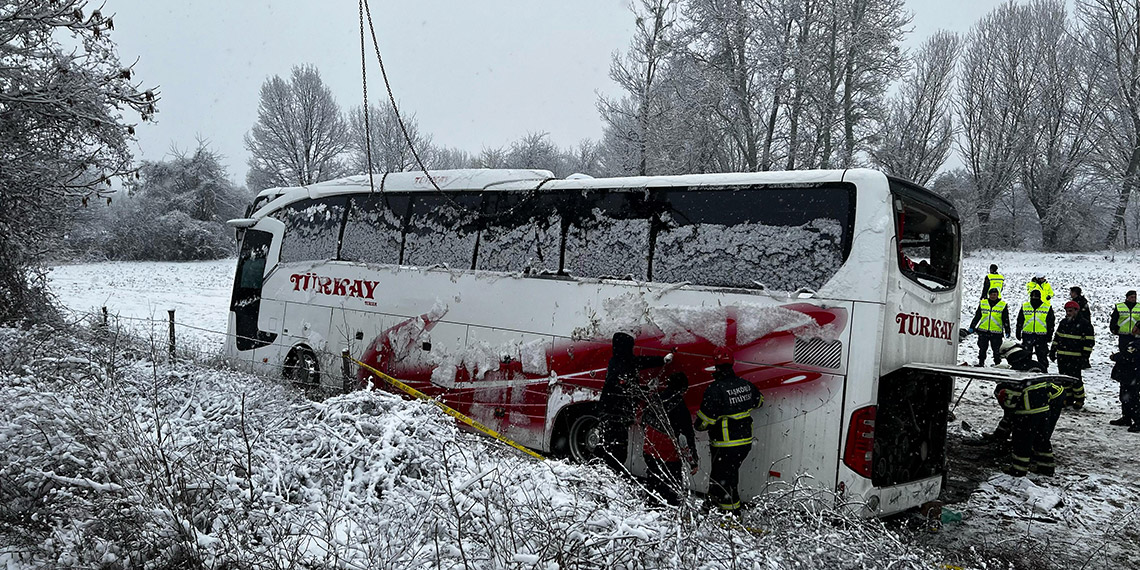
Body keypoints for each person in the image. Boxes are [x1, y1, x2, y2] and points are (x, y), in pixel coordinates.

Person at [694, 349, 763, 513]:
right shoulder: (745, 385)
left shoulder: (715, 389)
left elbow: (704, 422)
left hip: (725, 444)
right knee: (724, 476)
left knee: (725, 480)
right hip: (744, 442)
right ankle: (713, 507)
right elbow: (759, 401)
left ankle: (731, 516)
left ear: (716, 367)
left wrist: (698, 426)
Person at [599, 332, 671, 476]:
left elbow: (643, 361)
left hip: (615, 413)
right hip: (614, 414)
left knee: (611, 446)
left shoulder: (623, 360)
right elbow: (626, 387)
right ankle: (610, 475)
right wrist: (646, 389)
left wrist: (662, 360)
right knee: (615, 448)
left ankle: (609, 471)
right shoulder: (618, 365)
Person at [640, 372, 698, 506]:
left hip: (649, 449)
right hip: (668, 454)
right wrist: (693, 461)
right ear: (683, 389)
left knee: (653, 480)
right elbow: (688, 435)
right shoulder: (680, 406)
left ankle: (651, 507)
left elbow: (643, 421)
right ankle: (668, 511)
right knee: (671, 487)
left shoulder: (655, 399)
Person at [994, 376, 1058, 477]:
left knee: (1022, 442)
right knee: (1041, 440)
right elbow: (1054, 393)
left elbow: (1010, 404)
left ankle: (1018, 470)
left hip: (1026, 415)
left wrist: (1005, 404)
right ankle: (1046, 467)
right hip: (1043, 412)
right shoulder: (1034, 378)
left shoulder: (1012, 383)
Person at [1050, 300, 1095, 409]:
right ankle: (1067, 399)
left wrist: (1085, 357)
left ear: (1076, 311)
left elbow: (1089, 342)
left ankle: (1079, 399)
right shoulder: (1064, 322)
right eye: (1067, 311)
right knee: (1064, 379)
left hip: (1076, 357)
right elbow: (1057, 337)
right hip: (1062, 356)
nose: (1068, 313)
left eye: (1070, 311)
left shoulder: (1085, 324)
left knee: (1076, 380)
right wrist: (1053, 350)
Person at [968, 288, 1011, 366]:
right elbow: (977, 316)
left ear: (997, 295)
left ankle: (997, 363)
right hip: (983, 331)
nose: (993, 296)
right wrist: (972, 326)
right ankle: (981, 362)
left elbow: (1005, 319)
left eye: (995, 295)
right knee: (982, 348)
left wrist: (1007, 330)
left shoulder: (1002, 305)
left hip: (996, 332)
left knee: (996, 350)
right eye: (991, 294)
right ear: (989, 295)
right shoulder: (983, 303)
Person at [1109, 328, 1140, 432]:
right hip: (1129, 375)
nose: (1133, 329)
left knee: (1132, 399)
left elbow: (1127, 356)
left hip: (1132, 375)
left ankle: (1138, 421)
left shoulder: (1136, 344)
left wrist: (1115, 357)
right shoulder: (1133, 341)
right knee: (1124, 396)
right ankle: (1126, 418)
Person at [1016, 290, 1055, 372]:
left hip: (1041, 336)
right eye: (1033, 297)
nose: (1034, 298)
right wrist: (1018, 330)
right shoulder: (1025, 306)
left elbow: (1051, 323)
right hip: (1027, 334)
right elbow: (1020, 320)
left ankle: (1044, 371)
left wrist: (1049, 335)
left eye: (1036, 297)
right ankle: (1025, 370)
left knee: (1042, 356)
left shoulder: (1047, 307)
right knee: (1026, 355)